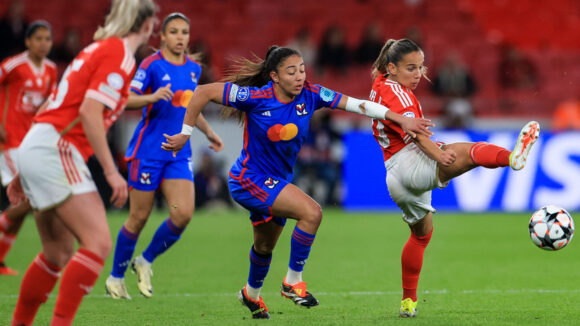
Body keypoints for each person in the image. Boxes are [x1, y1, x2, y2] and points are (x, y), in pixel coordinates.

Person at [161, 45, 434, 319]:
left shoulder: (311, 95)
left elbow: (357, 104)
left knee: (264, 247)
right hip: (248, 179)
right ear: (275, 77)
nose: (299, 76)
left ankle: (250, 294)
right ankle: (293, 282)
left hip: (275, 181)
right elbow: (202, 92)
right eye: (291, 71)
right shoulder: (255, 97)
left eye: (302, 69)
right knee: (311, 212)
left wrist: (399, 118)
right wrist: (185, 133)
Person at [368, 38, 540, 318]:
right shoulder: (399, 95)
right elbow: (417, 134)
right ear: (392, 68)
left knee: (421, 237)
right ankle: (512, 158)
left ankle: (408, 303)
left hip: (394, 177)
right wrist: (438, 154)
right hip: (411, 163)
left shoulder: (380, 83)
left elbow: (380, 80)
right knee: (467, 152)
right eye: (410, 68)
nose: (417, 74)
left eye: (420, 67)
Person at [9, 0, 156, 324]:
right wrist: (111, 172)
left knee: (57, 253)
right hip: (57, 147)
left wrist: (25, 165)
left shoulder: (97, 50)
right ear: (146, 26)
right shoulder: (119, 55)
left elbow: (53, 101)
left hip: (40, 143)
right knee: (99, 242)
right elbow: (89, 111)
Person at [105, 12, 223, 300]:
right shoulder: (152, 65)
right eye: (174, 32)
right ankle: (115, 277)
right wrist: (151, 97)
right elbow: (125, 99)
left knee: (183, 214)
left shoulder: (194, 68)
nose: (180, 37)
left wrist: (207, 132)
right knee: (139, 217)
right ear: (163, 36)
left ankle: (145, 261)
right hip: (148, 152)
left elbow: (189, 108)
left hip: (178, 152)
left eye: (184, 32)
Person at [0, 20, 57, 276]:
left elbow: (50, 104)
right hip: (9, 141)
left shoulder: (51, 70)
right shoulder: (13, 66)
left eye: (47, 39)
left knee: (23, 206)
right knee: (27, 199)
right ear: (27, 41)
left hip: (31, 143)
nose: (43, 43)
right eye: (38, 38)